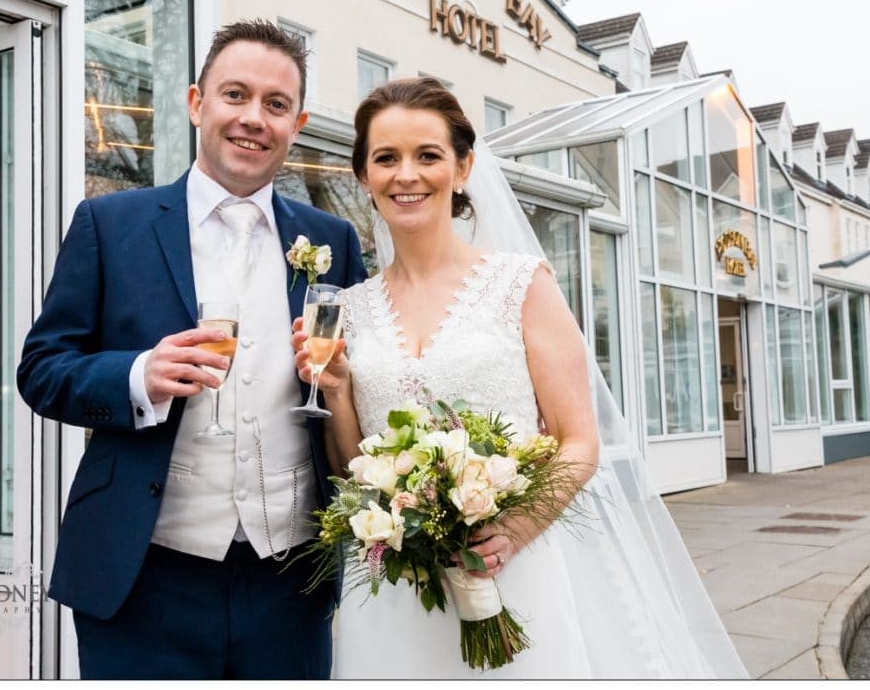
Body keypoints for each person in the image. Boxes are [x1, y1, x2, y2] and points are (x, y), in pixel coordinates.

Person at [291, 77, 749, 679]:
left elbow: (578, 439)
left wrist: (512, 531)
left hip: (515, 568)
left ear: (463, 168)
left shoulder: (522, 284)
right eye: (386, 158)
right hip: (392, 586)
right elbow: (354, 469)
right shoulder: (348, 307)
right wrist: (340, 391)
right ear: (364, 177)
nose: (407, 174)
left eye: (428, 155)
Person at [17, 19, 367, 679]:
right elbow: (41, 369)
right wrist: (138, 375)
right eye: (234, 95)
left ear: (297, 122)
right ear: (195, 103)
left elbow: (354, 383)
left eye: (275, 104)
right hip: (142, 576)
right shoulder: (109, 224)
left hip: (291, 582)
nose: (252, 118)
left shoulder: (334, 240)